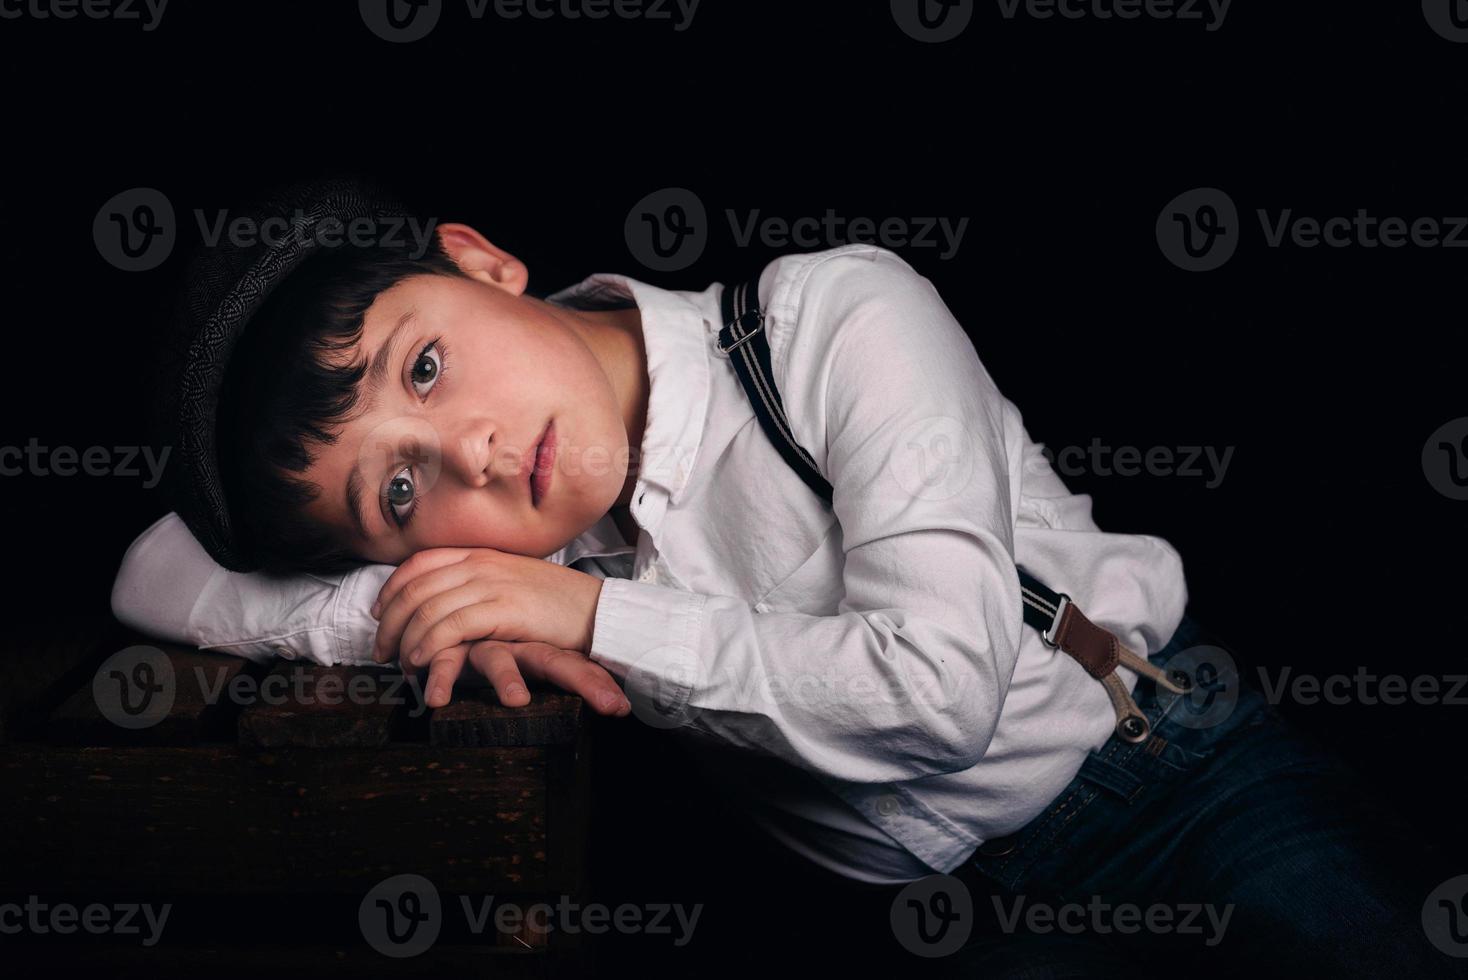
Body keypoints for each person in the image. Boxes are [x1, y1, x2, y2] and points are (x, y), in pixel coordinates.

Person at [111, 177, 1465, 975]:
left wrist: (588, 611)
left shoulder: (830, 318)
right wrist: (422, 605)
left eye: (424, 362)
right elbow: (158, 571)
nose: (463, 449)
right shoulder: (516, 525)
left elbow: (940, 691)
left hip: (1169, 789)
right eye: (397, 492)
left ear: (479, 261)